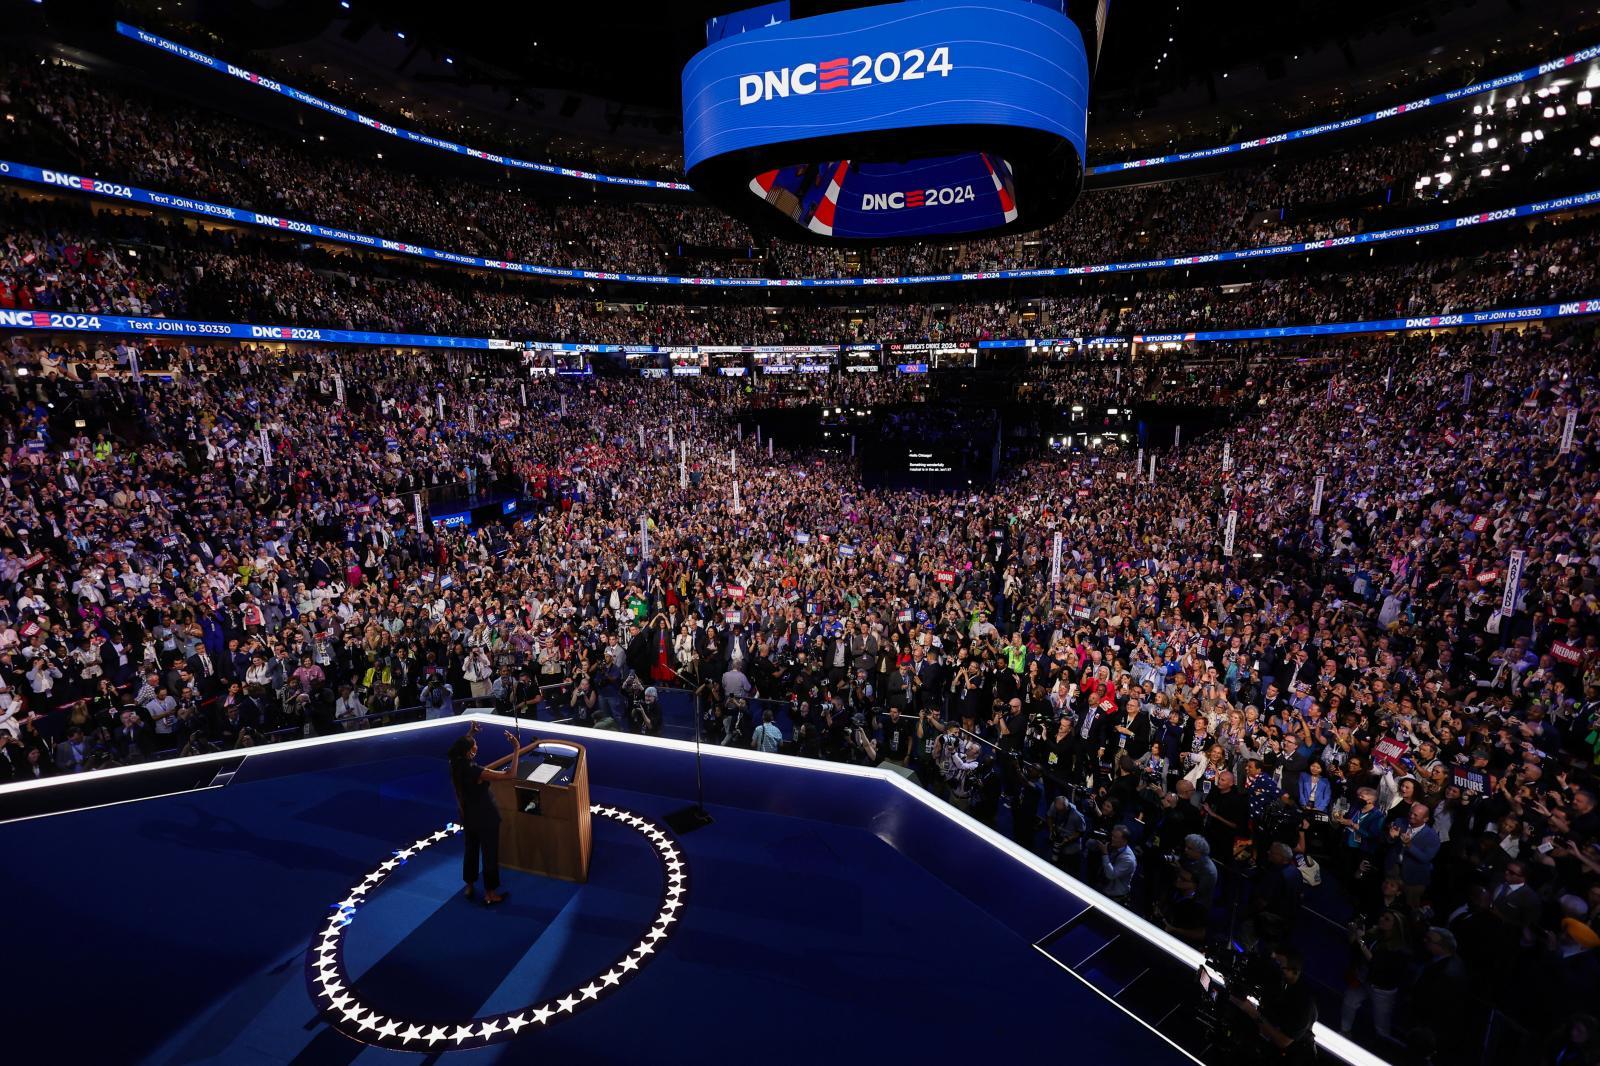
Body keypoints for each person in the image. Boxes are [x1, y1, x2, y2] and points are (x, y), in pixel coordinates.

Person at [447, 722, 521, 905]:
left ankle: (470, 886)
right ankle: (490, 894)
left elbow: (460, 749)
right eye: (474, 746)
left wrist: (471, 733)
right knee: (489, 854)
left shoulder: (455, 765)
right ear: (469, 752)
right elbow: (510, 774)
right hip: (486, 817)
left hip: (468, 815)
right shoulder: (478, 772)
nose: (477, 746)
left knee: (470, 850)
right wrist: (516, 748)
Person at [1230, 946, 1317, 1064]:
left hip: (1295, 1057)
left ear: (1294, 971)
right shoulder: (1279, 982)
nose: (1276, 968)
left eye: (1280, 965)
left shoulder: (1304, 1002)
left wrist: (1252, 1011)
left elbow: (1283, 1041)